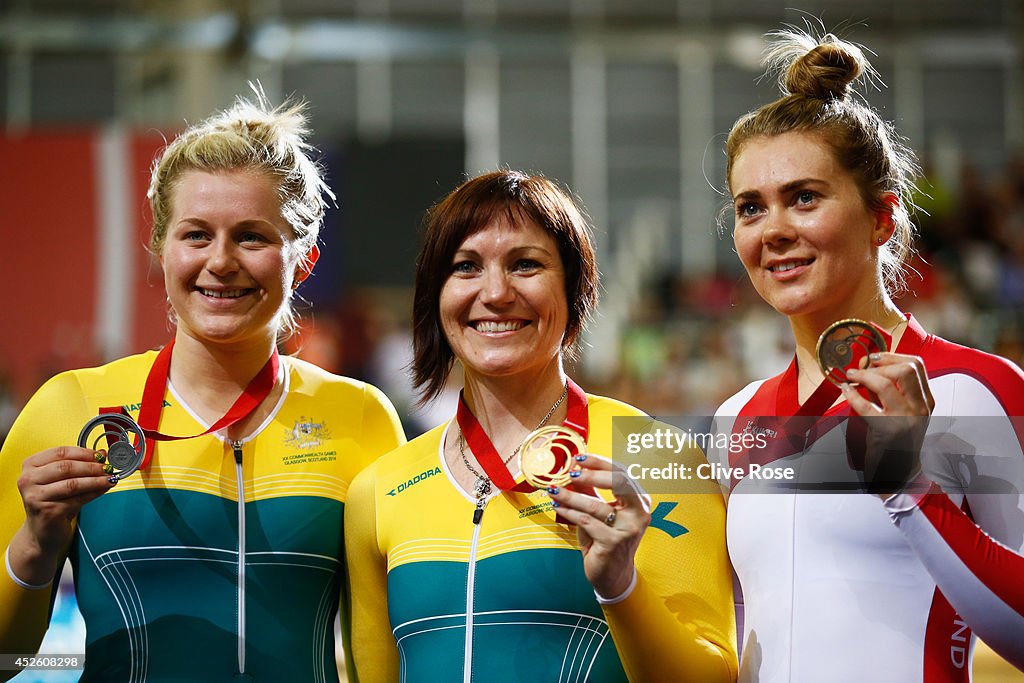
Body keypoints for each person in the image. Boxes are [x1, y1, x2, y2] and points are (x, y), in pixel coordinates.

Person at [0, 89, 406, 682]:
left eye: (252, 236)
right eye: (195, 235)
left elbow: (382, 664)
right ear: (160, 250)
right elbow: (6, 661)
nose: (221, 261)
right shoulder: (72, 408)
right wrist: (37, 542)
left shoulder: (361, 418)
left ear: (306, 259)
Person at [710, 27, 1024, 682]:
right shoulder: (735, 420)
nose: (775, 231)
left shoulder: (977, 389)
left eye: (804, 197)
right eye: (750, 207)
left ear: (882, 217)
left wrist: (907, 486)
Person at [344, 170, 737, 682]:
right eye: (465, 267)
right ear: (434, 296)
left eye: (525, 264)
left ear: (575, 288)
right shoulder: (381, 489)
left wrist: (620, 587)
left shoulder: (653, 456)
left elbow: (715, 676)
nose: (496, 293)